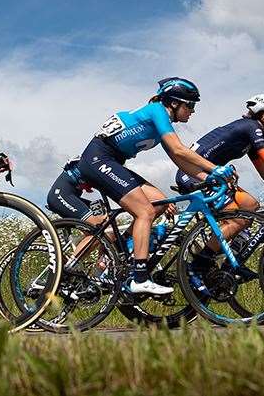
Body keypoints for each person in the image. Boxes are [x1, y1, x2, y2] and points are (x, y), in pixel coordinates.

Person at [76, 78, 235, 295]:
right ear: (174, 103)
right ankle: (139, 278)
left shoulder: (161, 120)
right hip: (98, 159)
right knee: (145, 211)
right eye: (190, 105)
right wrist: (215, 168)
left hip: (110, 160)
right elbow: (180, 150)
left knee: (159, 201)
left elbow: (180, 161)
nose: (192, 111)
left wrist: (207, 178)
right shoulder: (157, 110)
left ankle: (120, 249)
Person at [174, 94, 264, 281]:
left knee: (250, 205)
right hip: (192, 175)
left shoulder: (249, 132)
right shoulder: (251, 128)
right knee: (236, 221)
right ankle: (199, 265)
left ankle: (230, 263)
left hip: (209, 176)